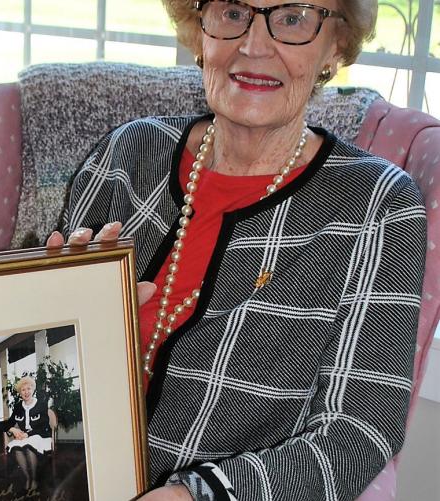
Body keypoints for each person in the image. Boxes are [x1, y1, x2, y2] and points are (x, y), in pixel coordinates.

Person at [48, 1, 426, 499]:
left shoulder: (378, 202)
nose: (252, 45)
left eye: (293, 19)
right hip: (70, 475)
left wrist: (196, 495)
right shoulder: (127, 153)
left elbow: (358, 434)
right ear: (198, 29)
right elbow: (46, 360)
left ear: (335, 44)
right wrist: (50, 305)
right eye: (232, 11)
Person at [5, 376, 52, 491]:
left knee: (29, 448)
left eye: (28, 389)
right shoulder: (17, 407)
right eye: (23, 390)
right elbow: (7, 424)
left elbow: (45, 427)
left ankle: (35, 478)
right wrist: (14, 430)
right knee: (16, 449)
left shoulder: (41, 404)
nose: (26, 392)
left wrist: (28, 434)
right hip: (23, 437)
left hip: (39, 436)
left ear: (33, 389)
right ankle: (28, 477)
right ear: (20, 393)